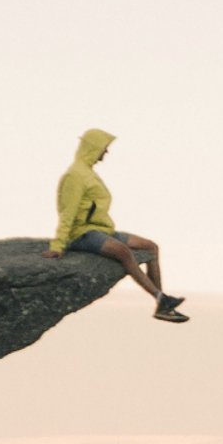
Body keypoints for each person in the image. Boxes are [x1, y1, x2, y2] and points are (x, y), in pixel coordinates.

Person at [52, 128, 188, 322]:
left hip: (101, 230)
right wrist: (58, 245)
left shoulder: (88, 173)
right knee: (123, 252)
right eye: (103, 148)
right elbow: (68, 212)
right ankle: (161, 298)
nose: (105, 152)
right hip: (82, 234)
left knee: (151, 247)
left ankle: (162, 306)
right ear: (93, 148)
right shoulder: (75, 175)